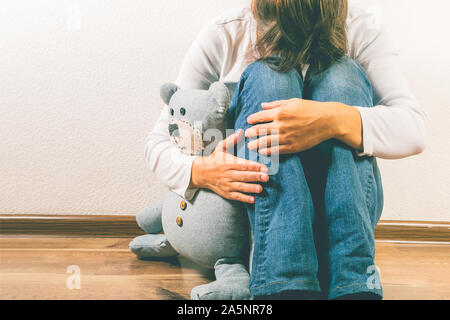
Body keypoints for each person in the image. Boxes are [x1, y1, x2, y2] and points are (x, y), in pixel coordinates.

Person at [145, 0, 427, 300]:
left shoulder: (361, 28)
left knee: (342, 75)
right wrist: (202, 171)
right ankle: (285, 281)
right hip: (265, 234)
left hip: (340, 221)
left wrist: (333, 120)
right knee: (269, 76)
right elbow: (158, 143)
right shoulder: (225, 34)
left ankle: (350, 280)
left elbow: (415, 129)